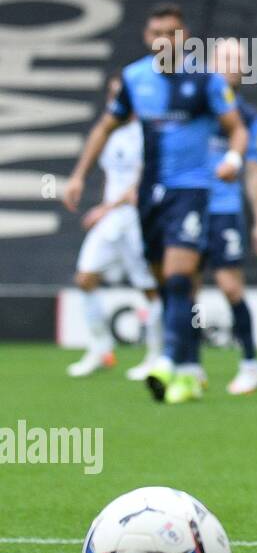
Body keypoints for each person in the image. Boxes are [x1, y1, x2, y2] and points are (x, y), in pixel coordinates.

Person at [62, 3, 247, 405]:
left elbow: (237, 130)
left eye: (173, 32)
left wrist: (233, 160)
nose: (165, 40)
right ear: (148, 38)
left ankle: (166, 360)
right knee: (167, 287)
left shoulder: (204, 80)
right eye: (157, 33)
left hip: (191, 191)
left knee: (180, 280)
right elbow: (105, 127)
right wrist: (78, 175)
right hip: (149, 197)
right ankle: (190, 368)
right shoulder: (134, 78)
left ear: (184, 37)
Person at [65, 73, 162, 380]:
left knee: (150, 289)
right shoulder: (109, 133)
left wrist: (103, 209)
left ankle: (156, 354)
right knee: (85, 278)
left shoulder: (147, 131)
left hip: (137, 219)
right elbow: (112, 176)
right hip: (111, 221)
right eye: (111, 93)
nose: (114, 99)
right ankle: (100, 348)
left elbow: (140, 183)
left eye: (120, 94)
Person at [200, 38, 257, 395]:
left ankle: (250, 363)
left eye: (239, 61)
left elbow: (255, 171)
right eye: (226, 59)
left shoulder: (249, 116)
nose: (233, 66)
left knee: (230, 287)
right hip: (190, 205)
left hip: (224, 209)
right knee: (184, 288)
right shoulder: (196, 103)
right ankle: (187, 364)